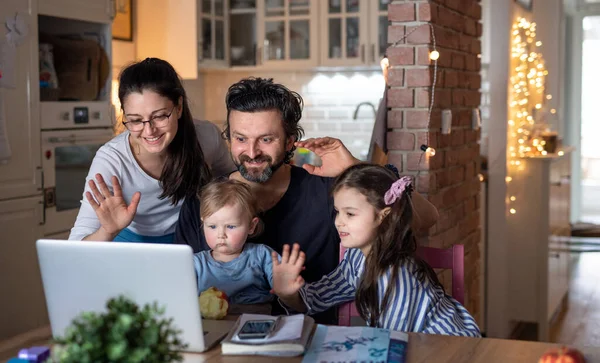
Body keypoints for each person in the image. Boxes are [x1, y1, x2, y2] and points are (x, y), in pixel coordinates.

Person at [174, 77, 439, 324]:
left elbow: (427, 218)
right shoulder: (202, 202)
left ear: (291, 141)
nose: (251, 152)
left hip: (313, 341)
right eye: (240, 139)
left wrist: (355, 168)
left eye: (266, 139)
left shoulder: (329, 192)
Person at [271, 164, 480, 337]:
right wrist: (288, 293)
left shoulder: (396, 277)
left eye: (350, 214)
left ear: (383, 216)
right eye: (337, 212)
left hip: (449, 349)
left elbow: (393, 341)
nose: (338, 222)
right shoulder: (355, 257)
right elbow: (320, 297)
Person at [68, 58, 234, 243]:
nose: (149, 131)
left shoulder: (206, 137)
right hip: (129, 243)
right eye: (136, 120)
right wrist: (108, 231)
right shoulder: (111, 160)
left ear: (178, 107)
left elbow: (233, 182)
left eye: (160, 116)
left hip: (191, 236)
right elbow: (76, 245)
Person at [193, 178, 277, 313]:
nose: (221, 234)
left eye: (231, 226)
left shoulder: (262, 255)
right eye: (212, 226)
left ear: (251, 226)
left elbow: (283, 284)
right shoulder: (195, 264)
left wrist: (284, 281)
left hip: (255, 324)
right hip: (212, 327)